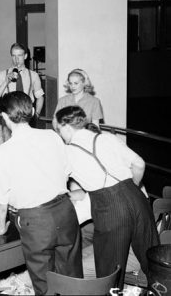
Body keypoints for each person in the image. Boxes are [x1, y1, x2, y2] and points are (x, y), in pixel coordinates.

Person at [55, 105, 158, 291]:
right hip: (137, 197)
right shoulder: (106, 138)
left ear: (67, 127)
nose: (60, 134)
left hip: (109, 207)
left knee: (110, 270)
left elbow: (56, 185)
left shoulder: (67, 152)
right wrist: (131, 188)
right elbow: (139, 163)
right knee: (152, 260)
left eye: (59, 129)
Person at [0, 91, 82, 295]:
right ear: (31, 111)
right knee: (72, 278)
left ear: (4, 117)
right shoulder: (52, 136)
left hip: (35, 220)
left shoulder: (2, 153)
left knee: (44, 283)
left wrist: (0, 227)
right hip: (65, 211)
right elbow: (67, 171)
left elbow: (0, 200)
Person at [0, 43, 44, 117]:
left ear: (25, 56)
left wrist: (37, 114)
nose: (16, 59)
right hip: (8, 116)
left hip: (27, 115)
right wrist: (5, 82)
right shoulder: (2, 74)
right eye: (13, 56)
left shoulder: (34, 75)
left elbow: (40, 97)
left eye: (19, 55)